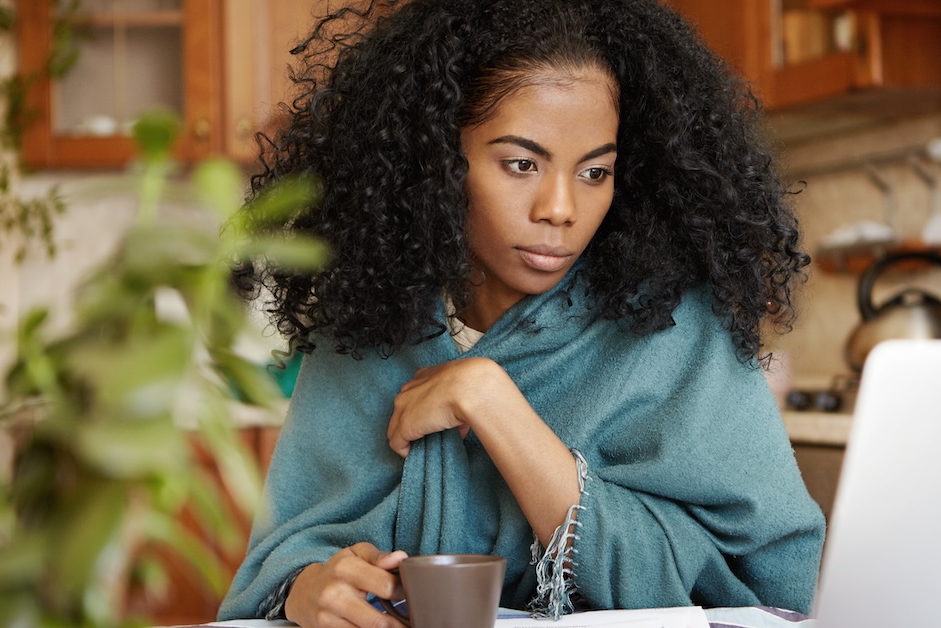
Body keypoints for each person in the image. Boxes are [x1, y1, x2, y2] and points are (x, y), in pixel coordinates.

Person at [219, 0, 825, 626]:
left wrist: (491, 401)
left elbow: (756, 587)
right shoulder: (369, 326)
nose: (560, 208)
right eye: (521, 164)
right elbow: (288, 553)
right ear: (433, 159)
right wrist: (306, 588)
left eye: (595, 171)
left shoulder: (678, 331)